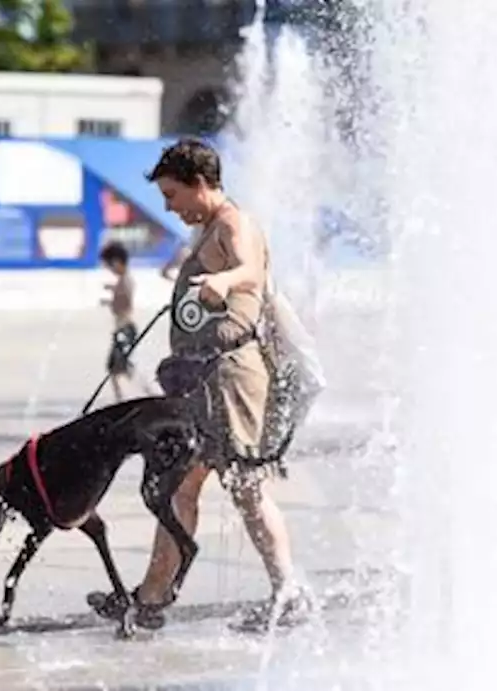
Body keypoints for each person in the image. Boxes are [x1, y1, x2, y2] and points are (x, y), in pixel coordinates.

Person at [87, 137, 314, 632]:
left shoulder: (234, 223)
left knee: (246, 488)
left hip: (230, 376)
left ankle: (287, 593)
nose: (169, 206)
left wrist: (226, 281)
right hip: (201, 379)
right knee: (178, 487)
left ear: (198, 184)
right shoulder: (209, 226)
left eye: (172, 195)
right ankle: (150, 599)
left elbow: (251, 269)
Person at [98, 241, 155, 402]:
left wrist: (112, 298)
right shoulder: (123, 279)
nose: (110, 269)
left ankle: (148, 394)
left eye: (110, 266)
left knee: (123, 368)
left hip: (125, 328)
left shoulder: (125, 280)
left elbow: (124, 304)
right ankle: (125, 398)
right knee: (117, 368)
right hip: (123, 329)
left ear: (116, 262)